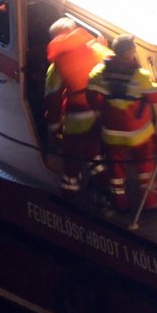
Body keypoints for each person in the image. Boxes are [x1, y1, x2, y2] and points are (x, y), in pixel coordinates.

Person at [86, 34, 157, 212]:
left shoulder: (98, 72)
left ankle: (120, 203)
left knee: (116, 171)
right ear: (129, 52)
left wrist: (107, 110)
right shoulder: (140, 75)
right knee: (145, 167)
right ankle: (150, 202)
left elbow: (92, 98)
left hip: (112, 133)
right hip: (140, 133)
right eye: (134, 49)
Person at [43, 17, 110, 197]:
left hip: (78, 113)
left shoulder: (57, 64)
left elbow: (52, 97)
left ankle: (70, 193)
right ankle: (105, 187)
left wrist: (53, 127)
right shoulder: (96, 48)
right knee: (93, 149)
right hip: (102, 108)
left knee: (71, 154)